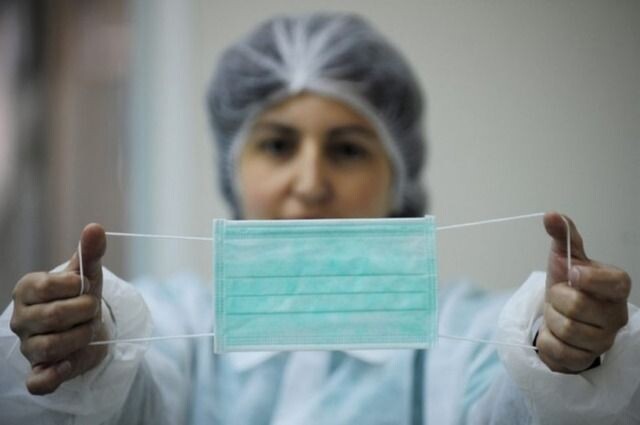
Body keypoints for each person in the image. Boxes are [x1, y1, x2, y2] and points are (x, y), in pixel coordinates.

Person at [1, 12, 638, 425]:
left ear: (398, 175)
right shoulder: (173, 326)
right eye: (278, 145)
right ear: (233, 167)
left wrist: (566, 356)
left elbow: (523, 401)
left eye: (348, 149)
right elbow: (128, 398)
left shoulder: (463, 336)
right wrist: (86, 356)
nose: (309, 183)